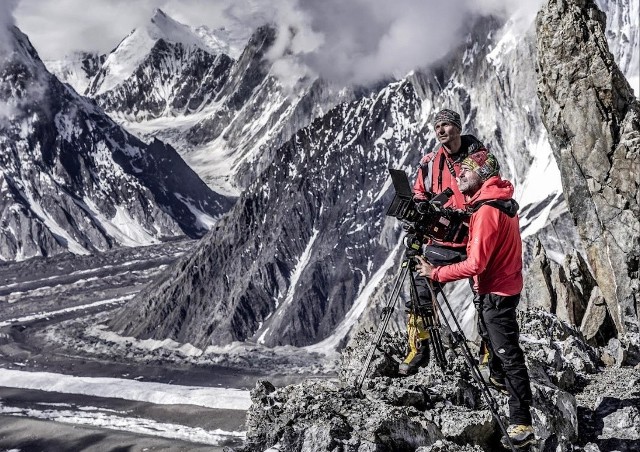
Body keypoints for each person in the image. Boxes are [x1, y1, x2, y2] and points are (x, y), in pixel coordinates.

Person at [415, 151, 535, 449]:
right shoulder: (499, 201)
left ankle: (521, 421)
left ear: (482, 175)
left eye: (466, 172)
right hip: (504, 285)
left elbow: (475, 265)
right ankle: (496, 377)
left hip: (496, 291)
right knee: (491, 339)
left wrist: (436, 272)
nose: (459, 176)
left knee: (508, 352)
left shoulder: (486, 212)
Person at [399, 108, 486, 376]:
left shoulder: (479, 158)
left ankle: (488, 351)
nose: (441, 130)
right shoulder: (429, 162)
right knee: (419, 287)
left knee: (485, 296)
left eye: (446, 125)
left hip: (475, 237)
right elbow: (419, 192)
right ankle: (419, 346)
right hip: (443, 240)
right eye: (437, 126)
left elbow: (490, 190)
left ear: (458, 128)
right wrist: (421, 212)